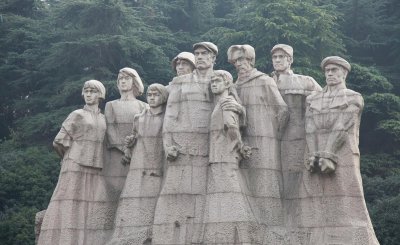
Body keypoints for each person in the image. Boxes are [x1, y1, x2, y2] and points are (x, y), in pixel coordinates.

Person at [153, 42, 241, 245]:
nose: (200, 57)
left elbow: (238, 109)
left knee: (204, 195)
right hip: (182, 145)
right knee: (176, 193)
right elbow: (170, 115)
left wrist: (238, 109)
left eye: (205, 54)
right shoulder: (180, 81)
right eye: (197, 54)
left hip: (211, 146)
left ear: (213, 58)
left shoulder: (222, 79)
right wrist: (168, 144)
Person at [302, 56, 379, 244]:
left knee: (347, 194)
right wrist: (313, 154)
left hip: (342, 153)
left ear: (344, 73)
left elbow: (342, 125)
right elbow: (310, 128)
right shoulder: (313, 99)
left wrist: (328, 155)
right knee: (316, 197)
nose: (329, 74)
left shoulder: (353, 97)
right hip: (316, 155)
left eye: (334, 70)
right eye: (327, 71)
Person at [227, 44, 289, 242]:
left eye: (242, 60)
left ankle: (274, 229)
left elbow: (282, 110)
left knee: (266, 182)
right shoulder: (234, 86)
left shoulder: (264, 80)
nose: (239, 64)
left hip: (266, 139)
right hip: (242, 142)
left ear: (250, 60)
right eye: (236, 61)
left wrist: (274, 135)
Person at [38, 80, 108, 245]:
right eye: (86, 91)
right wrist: (68, 157)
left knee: (91, 204)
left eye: (93, 91)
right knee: (69, 199)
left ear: (100, 95)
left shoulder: (104, 118)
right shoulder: (77, 114)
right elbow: (59, 141)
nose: (89, 94)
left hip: (95, 165)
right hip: (75, 162)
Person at [270, 44, 322, 233]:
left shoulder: (305, 81)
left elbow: (322, 102)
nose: (277, 60)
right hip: (269, 138)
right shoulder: (265, 82)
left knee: (294, 175)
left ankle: (293, 220)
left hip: (296, 137)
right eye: (274, 57)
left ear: (290, 60)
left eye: (281, 57)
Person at [107, 84, 168, 245]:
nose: (152, 97)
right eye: (150, 94)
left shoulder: (166, 117)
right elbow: (133, 137)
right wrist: (129, 144)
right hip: (138, 164)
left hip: (156, 165)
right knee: (131, 196)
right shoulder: (139, 117)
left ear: (163, 98)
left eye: (156, 95)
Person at [203, 70, 255, 243]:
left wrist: (237, 146)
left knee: (230, 191)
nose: (213, 84)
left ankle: (237, 232)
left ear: (227, 84)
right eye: (212, 81)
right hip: (221, 153)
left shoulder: (226, 101)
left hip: (223, 153)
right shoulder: (222, 102)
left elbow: (231, 126)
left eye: (217, 81)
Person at [102, 67, 148, 236]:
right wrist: (123, 149)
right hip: (116, 156)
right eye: (120, 78)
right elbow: (110, 130)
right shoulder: (111, 105)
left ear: (134, 82)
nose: (122, 81)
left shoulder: (144, 105)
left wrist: (133, 148)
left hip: (138, 154)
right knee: (115, 189)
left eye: (126, 78)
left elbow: (144, 130)